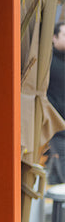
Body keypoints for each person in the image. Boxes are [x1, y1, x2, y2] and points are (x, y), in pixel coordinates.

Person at [48, 17, 65, 185]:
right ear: (54, 38)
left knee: (56, 176)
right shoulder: (48, 63)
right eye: (64, 35)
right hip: (57, 128)